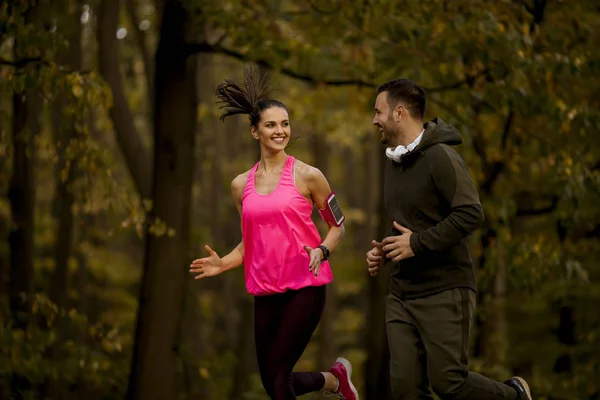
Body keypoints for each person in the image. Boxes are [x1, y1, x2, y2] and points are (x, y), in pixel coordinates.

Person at [189, 66, 359, 400]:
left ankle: (335, 381)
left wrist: (322, 250)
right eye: (271, 125)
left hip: (305, 286)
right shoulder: (241, 185)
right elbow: (250, 241)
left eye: (284, 124)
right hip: (265, 291)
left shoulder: (309, 176)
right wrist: (223, 263)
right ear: (255, 132)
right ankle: (334, 380)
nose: (280, 131)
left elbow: (337, 225)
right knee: (273, 381)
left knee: (279, 379)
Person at [366, 78, 533, 400]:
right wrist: (384, 252)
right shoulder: (394, 163)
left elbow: (471, 214)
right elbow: (407, 224)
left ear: (399, 112)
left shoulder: (440, 157)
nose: (374, 120)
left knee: (449, 383)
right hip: (402, 293)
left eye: (379, 111)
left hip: (444, 288)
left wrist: (415, 244)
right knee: (405, 391)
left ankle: (513, 396)